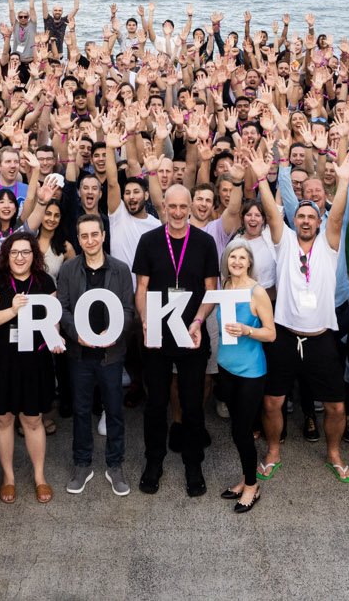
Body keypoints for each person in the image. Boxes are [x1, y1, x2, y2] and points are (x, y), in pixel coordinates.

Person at [254, 149, 349, 484]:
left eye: (311, 216)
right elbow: (272, 215)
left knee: (336, 408)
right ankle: (272, 451)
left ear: (318, 220)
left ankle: (334, 453)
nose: (305, 220)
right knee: (272, 403)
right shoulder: (283, 242)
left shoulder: (329, 244)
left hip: (320, 339)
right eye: (300, 216)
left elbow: (339, 217)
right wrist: (261, 178)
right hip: (284, 336)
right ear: (294, 220)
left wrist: (343, 181)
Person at [132, 179, 221, 497]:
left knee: (193, 404)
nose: (179, 212)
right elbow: (141, 289)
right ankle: (153, 461)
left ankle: (193, 463)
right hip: (156, 335)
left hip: (192, 334)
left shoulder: (205, 243)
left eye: (184, 206)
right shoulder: (149, 241)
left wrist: (198, 320)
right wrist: (145, 321)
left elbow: (212, 290)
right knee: (155, 404)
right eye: (173, 206)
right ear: (164, 207)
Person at [54, 211, 135, 495]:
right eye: (84, 236)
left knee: (114, 410)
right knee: (80, 410)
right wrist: (77, 333)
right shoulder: (68, 269)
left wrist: (111, 333)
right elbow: (61, 308)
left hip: (111, 355)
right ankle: (82, 464)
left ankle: (115, 465)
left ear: (103, 236)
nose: (89, 240)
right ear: (79, 239)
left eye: (94, 234)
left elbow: (128, 310)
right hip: (79, 355)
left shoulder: (121, 270)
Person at [0, 231, 61, 503]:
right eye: (15, 252)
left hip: (33, 362)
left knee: (33, 419)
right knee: (3, 418)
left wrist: (55, 339)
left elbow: (53, 321)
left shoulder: (44, 281)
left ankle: (39, 477)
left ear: (34, 255)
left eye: (26, 252)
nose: (20, 257)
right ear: (6, 255)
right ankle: (9, 477)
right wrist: (12, 311)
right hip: (1, 362)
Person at [214, 241, 276, 511]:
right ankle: (245, 478)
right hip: (225, 367)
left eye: (242, 257)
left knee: (242, 430)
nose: (237, 261)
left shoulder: (257, 291)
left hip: (250, 372)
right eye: (232, 257)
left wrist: (246, 330)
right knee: (236, 429)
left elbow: (271, 333)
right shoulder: (225, 286)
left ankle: (252, 486)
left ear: (249, 262)